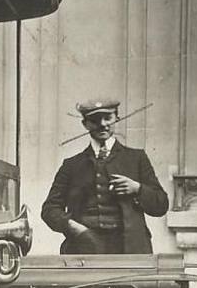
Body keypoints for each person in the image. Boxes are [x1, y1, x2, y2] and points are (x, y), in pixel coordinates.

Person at [41, 98, 169, 254]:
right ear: (85, 124)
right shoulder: (71, 165)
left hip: (129, 249)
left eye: (107, 118)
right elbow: (49, 209)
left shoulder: (136, 158)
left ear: (117, 118)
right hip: (83, 248)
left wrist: (138, 189)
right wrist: (75, 228)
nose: (102, 124)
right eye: (95, 120)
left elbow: (161, 205)